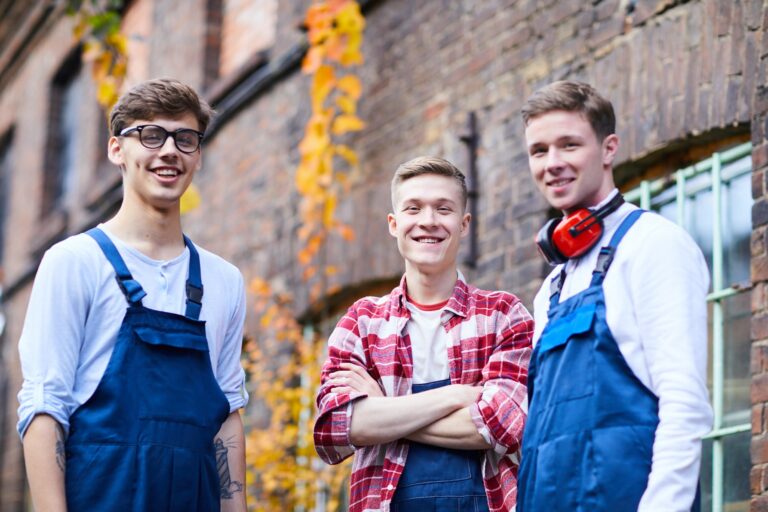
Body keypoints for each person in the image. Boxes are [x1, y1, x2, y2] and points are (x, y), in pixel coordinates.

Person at [17, 78, 248, 512]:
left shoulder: (224, 281)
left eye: (185, 139)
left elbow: (227, 419)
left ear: (197, 157)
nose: (169, 151)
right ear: (116, 150)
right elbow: (45, 407)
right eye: (150, 135)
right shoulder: (75, 262)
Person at [517, 80, 713, 511]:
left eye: (569, 145)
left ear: (608, 149)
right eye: (539, 150)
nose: (553, 163)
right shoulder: (552, 287)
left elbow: (685, 404)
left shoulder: (653, 245)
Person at [313, 156, 533, 512]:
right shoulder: (362, 321)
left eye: (443, 209)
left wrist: (381, 411)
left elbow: (503, 426)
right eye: (413, 208)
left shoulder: (503, 315)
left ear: (463, 225)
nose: (428, 221)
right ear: (393, 223)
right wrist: (457, 397)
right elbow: (335, 429)